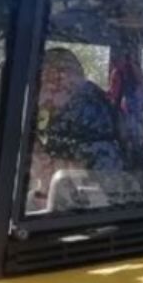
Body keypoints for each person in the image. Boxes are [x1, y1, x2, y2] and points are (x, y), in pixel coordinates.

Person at [28, 47, 128, 211]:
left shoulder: (91, 114)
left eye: (57, 77)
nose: (50, 88)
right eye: (45, 78)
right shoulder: (44, 114)